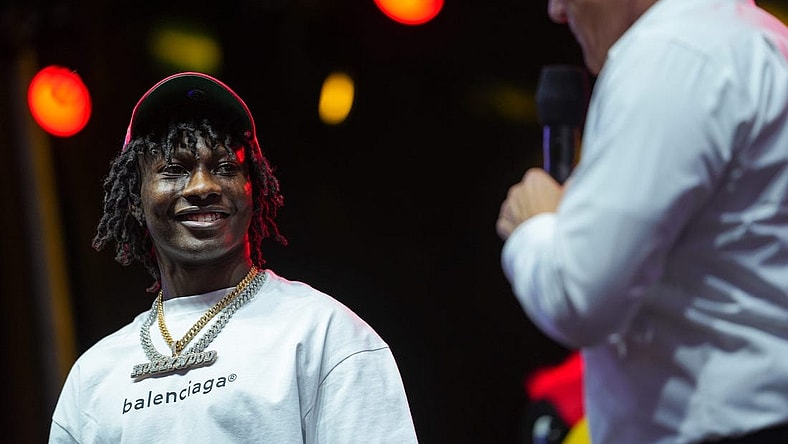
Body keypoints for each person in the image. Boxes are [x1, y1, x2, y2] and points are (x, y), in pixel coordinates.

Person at [49, 72, 419, 443]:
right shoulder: (93, 377)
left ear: (252, 189)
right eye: (174, 169)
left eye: (225, 168)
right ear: (134, 198)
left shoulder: (322, 333)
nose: (203, 187)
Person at [496, 0, 788, 443]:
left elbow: (579, 297)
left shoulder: (671, 53)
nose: (556, 10)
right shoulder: (761, 37)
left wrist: (534, 224)